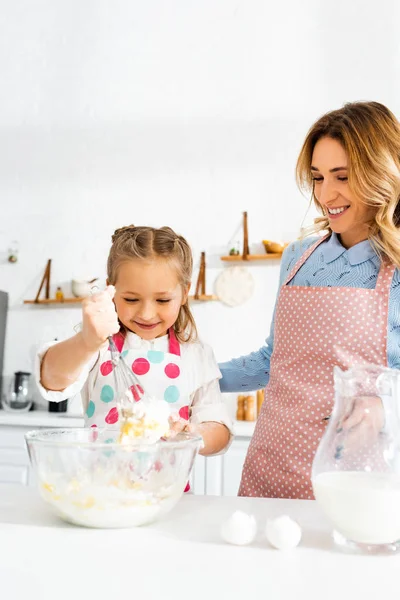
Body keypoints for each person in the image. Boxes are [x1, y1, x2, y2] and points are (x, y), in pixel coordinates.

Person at [219, 101, 400, 498]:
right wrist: (192, 376)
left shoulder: (396, 268)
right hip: (271, 464)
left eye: (342, 176)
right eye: (317, 177)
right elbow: (272, 361)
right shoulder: (297, 258)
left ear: (380, 174)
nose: (325, 193)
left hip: (354, 478)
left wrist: (384, 406)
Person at [37, 225, 232, 456]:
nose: (147, 314)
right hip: (103, 488)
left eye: (162, 300)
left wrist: (194, 433)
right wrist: (86, 342)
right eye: (131, 299)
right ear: (111, 289)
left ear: (184, 292)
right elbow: (52, 380)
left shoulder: (196, 354)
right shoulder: (98, 346)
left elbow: (219, 427)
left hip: (169, 490)